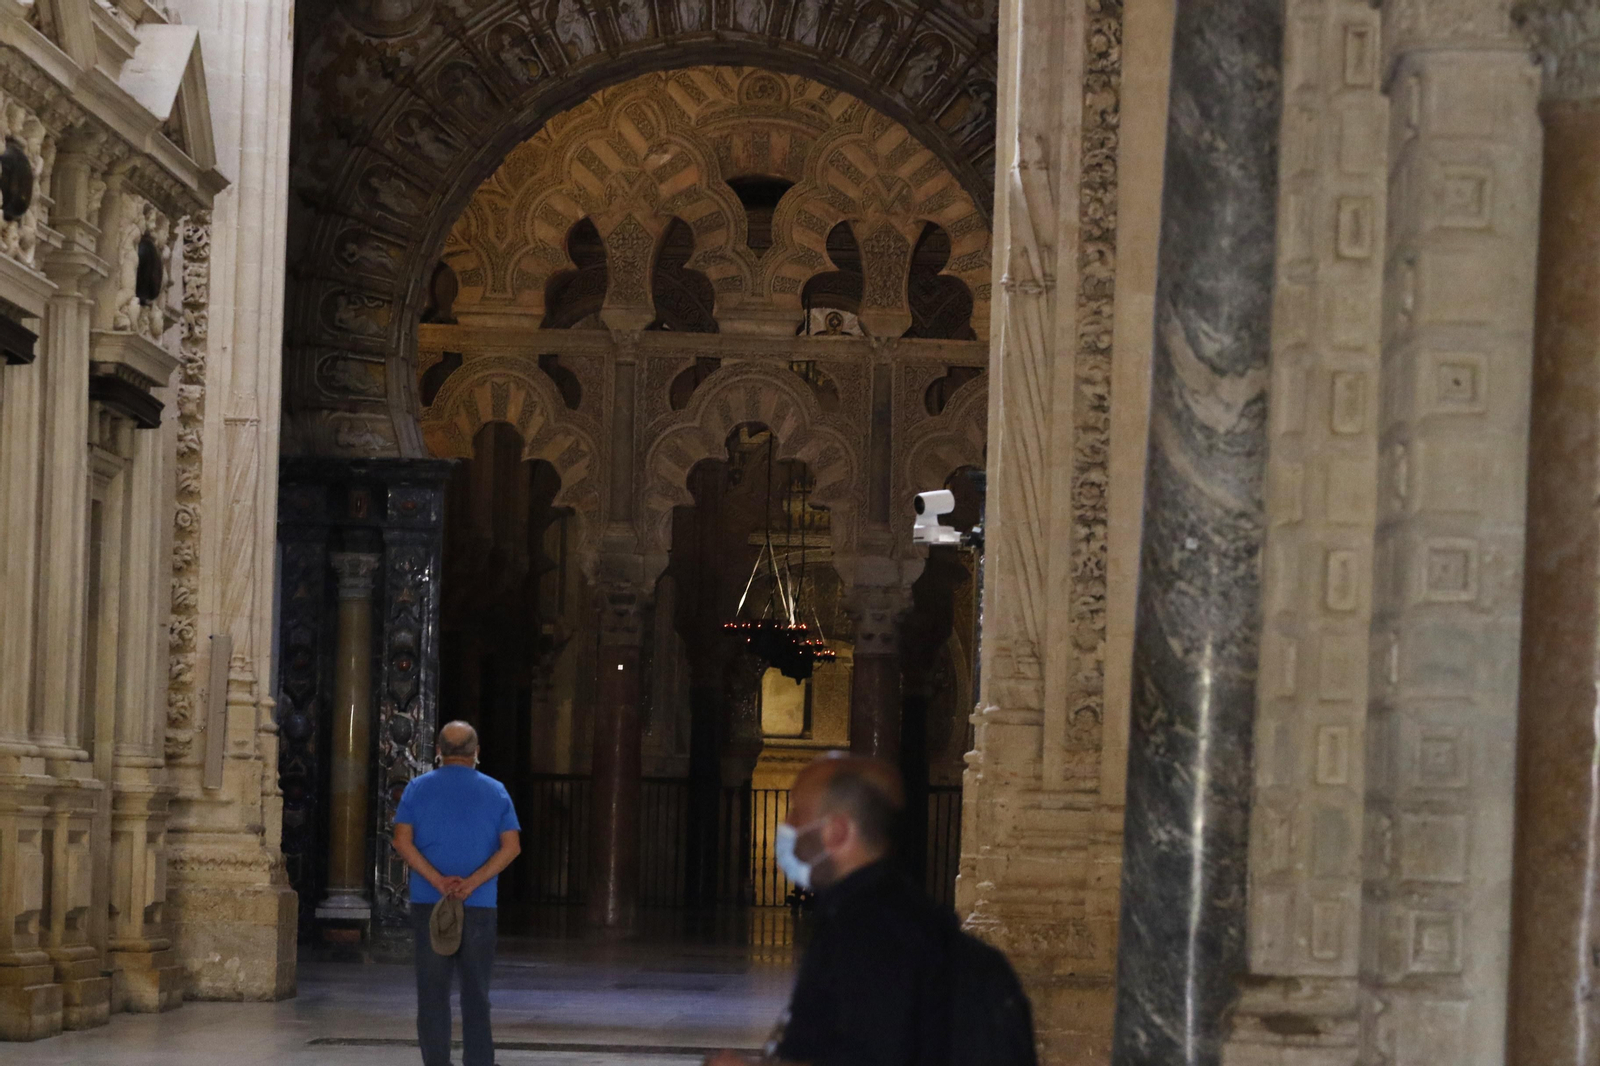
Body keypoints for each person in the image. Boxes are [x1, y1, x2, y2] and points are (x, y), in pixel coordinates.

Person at [706, 754, 953, 1066]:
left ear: (837, 831)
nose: (787, 826)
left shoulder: (870, 934)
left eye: (797, 811)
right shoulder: (866, 914)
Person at [393, 721, 522, 1066]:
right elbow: (511, 847)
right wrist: (471, 883)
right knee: (476, 992)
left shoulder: (417, 789)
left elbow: (401, 841)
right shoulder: (496, 791)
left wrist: (438, 881)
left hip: (429, 903)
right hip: (479, 905)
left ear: (438, 751)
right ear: (475, 753)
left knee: (432, 992)